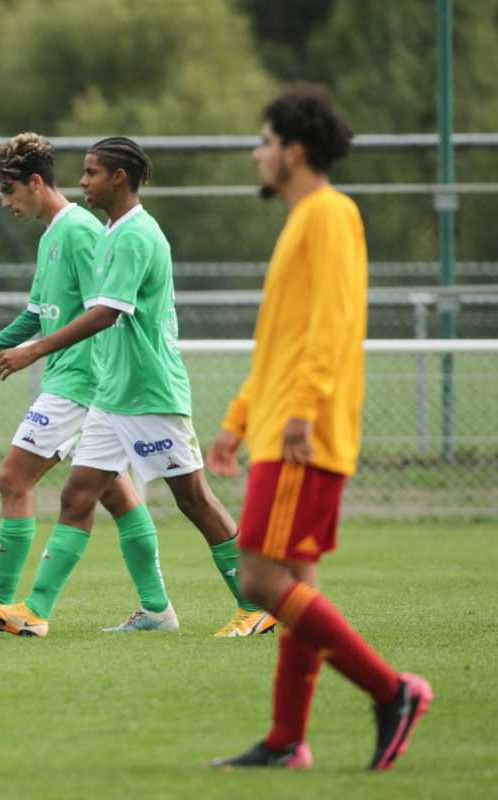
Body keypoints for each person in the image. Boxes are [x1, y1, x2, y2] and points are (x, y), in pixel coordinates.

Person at [0, 136, 275, 637]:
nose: (83, 181)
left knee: (194, 500)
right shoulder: (110, 233)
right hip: (112, 394)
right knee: (77, 495)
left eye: (91, 172)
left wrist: (33, 351)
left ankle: (255, 603)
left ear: (119, 178)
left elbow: (106, 312)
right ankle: (35, 611)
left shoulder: (135, 235)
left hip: (148, 390)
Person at [209, 87, 432, 771]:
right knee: (296, 585)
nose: (256, 153)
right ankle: (285, 742)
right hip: (280, 426)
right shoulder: (302, 220)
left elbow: (333, 325)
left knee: (258, 579)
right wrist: (236, 423)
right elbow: (281, 342)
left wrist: (301, 410)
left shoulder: (331, 214)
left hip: (301, 434)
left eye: (264, 141)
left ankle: (392, 691)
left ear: (293, 151)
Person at [0, 133, 174, 634]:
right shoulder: (53, 236)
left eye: (9, 191)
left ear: (35, 182)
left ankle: (0, 604)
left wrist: (36, 356)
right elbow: (36, 315)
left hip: (81, 380)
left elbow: (103, 314)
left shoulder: (80, 232)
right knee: (115, 495)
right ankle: (157, 609)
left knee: (12, 478)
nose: (5, 204)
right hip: (74, 379)